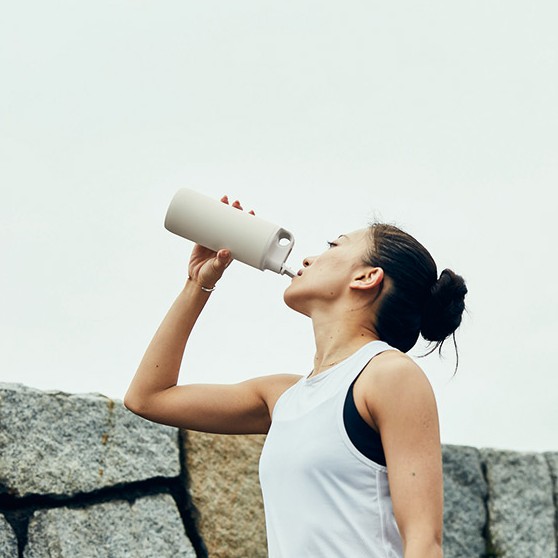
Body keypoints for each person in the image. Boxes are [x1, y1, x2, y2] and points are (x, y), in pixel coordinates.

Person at [124, 196, 467, 558]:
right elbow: (148, 398)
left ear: (367, 277)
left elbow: (423, 541)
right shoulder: (283, 396)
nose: (307, 259)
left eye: (333, 245)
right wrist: (198, 283)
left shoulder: (389, 375)